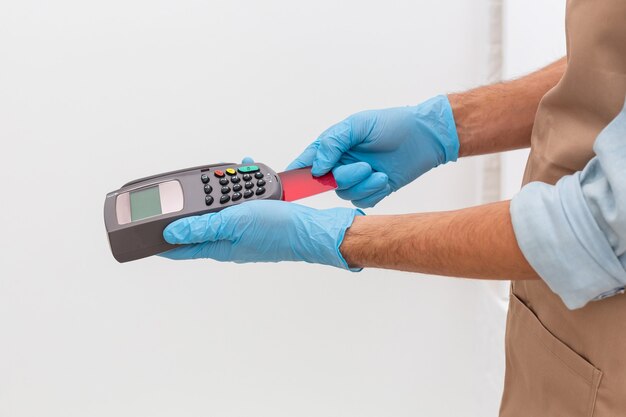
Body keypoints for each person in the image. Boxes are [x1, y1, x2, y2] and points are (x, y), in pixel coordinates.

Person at [162, 0, 626, 414]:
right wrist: (444, 126)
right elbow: (605, 61)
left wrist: (337, 237)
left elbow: (590, 228)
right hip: (559, 333)